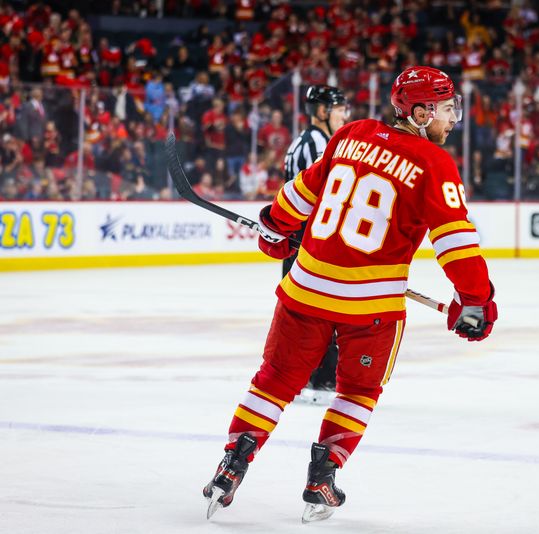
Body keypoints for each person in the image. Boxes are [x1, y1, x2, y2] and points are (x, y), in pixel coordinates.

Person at [203, 66, 498, 523]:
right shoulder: (433, 163)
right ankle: (322, 477)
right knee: (358, 392)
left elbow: (301, 192)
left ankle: (231, 465)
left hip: (305, 290)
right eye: (444, 109)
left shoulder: (352, 133)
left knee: (274, 380)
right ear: (419, 113)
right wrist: (476, 300)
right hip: (371, 310)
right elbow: (455, 242)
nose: (452, 118)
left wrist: (274, 226)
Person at [281, 85, 351, 403]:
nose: (345, 116)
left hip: (303, 241)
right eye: (340, 110)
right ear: (322, 112)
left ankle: (305, 378)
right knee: (321, 313)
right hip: (309, 244)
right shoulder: (318, 145)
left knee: (306, 314)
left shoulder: (311, 141)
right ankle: (320, 380)